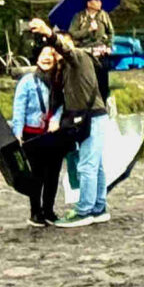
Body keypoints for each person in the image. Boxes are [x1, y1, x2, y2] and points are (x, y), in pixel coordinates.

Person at [51, 17, 109, 227]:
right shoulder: (65, 69)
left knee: (87, 166)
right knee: (96, 166)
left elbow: (66, 50)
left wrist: (49, 35)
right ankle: (99, 207)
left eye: (61, 45)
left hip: (93, 116)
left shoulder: (79, 57)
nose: (57, 51)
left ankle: (84, 210)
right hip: (87, 118)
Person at [14, 24, 64, 226]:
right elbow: (19, 108)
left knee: (53, 174)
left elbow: (64, 104)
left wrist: (57, 119)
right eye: (43, 55)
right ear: (37, 58)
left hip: (53, 134)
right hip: (32, 135)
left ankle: (49, 210)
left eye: (50, 56)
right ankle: (35, 211)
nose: (46, 58)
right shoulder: (27, 81)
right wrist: (17, 133)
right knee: (37, 176)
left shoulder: (60, 79)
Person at [70, 0, 116, 104]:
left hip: (101, 52)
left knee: (102, 81)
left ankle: (103, 103)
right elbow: (73, 34)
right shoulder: (79, 17)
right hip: (85, 52)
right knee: (87, 80)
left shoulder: (103, 15)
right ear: (89, 3)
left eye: (100, 1)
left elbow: (111, 32)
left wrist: (108, 46)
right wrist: (88, 30)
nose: (100, 3)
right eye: (96, 1)